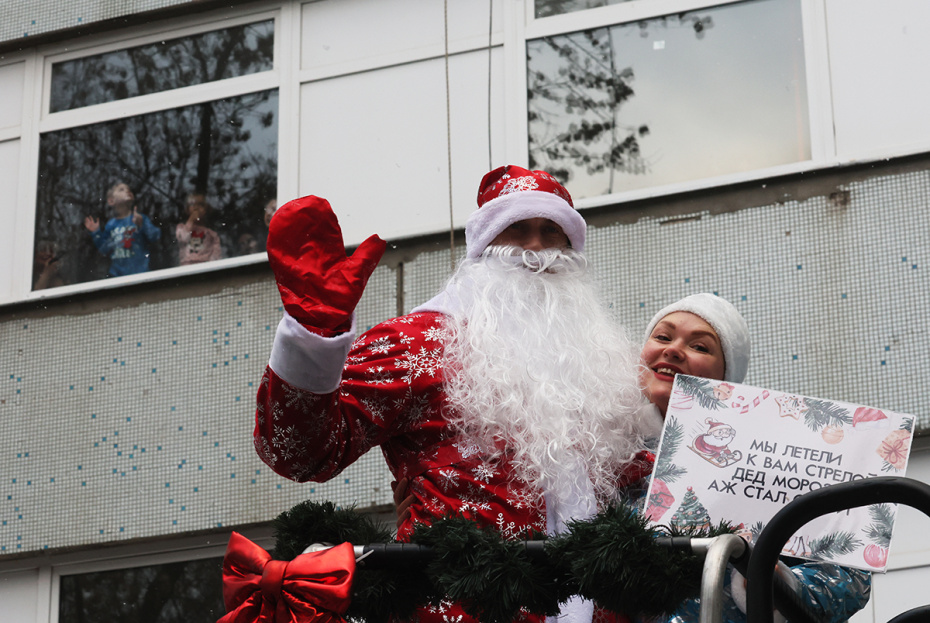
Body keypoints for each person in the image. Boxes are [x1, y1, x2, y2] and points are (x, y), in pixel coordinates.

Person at [254, 165, 659, 623]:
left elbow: (651, 490)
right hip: (460, 607)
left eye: (553, 232)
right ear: (483, 246)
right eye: (517, 230)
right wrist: (313, 336)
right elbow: (301, 453)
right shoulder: (419, 341)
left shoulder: (606, 364)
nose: (537, 250)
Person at [637, 293, 870, 623]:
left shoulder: (770, 454)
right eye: (662, 336)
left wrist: (770, 582)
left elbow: (847, 577)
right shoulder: (594, 451)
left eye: (701, 347)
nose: (673, 349)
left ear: (726, 378)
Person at [84, 182, 161, 277]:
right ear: (111, 201)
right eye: (122, 189)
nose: (127, 191)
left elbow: (155, 236)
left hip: (140, 273)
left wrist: (142, 224)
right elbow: (104, 249)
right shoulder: (111, 224)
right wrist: (96, 233)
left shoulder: (140, 218)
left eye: (128, 189)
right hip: (117, 275)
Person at [176, 193, 223, 265]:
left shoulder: (211, 233)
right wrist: (191, 220)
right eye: (192, 204)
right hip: (186, 266)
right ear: (187, 210)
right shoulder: (182, 228)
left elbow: (216, 254)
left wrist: (210, 266)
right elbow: (183, 238)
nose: (196, 207)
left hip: (204, 266)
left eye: (200, 205)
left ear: (206, 210)